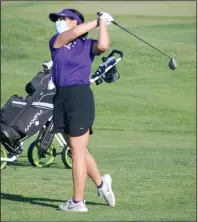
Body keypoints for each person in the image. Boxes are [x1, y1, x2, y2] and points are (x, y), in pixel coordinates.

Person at [48, 9, 115, 212]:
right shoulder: (56, 41)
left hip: (80, 97)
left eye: (63, 18)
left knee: (77, 152)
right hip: (61, 97)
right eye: (58, 19)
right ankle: (102, 185)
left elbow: (103, 45)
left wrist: (102, 23)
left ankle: (77, 202)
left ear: (75, 21)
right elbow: (71, 35)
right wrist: (98, 21)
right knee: (78, 150)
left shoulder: (87, 45)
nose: (59, 21)